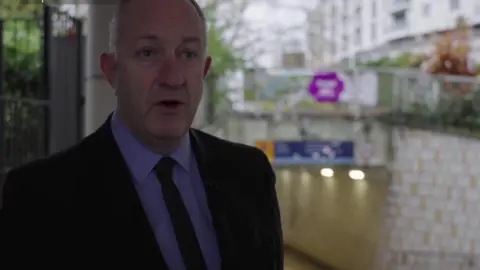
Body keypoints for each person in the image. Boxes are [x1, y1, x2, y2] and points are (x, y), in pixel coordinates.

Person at [0, 0, 283, 269]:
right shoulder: (38, 196)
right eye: (148, 53)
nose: (172, 78)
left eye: (188, 55)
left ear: (204, 70)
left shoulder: (250, 174)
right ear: (112, 71)